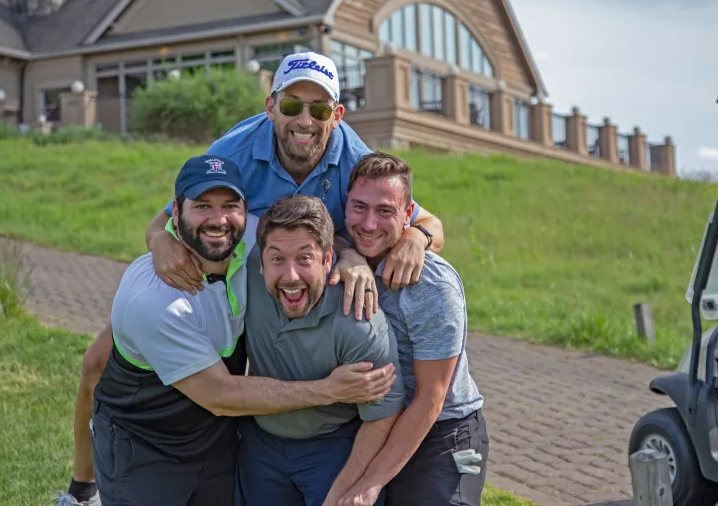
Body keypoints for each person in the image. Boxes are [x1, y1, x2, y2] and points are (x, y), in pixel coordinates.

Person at [61, 51, 444, 504]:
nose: (305, 119)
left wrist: (408, 242)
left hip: (288, 280)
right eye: (291, 106)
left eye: (319, 110)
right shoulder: (233, 152)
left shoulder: (354, 156)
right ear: (270, 106)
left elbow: (425, 222)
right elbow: (172, 215)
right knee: (96, 363)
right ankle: (80, 491)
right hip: (232, 272)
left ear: (337, 116)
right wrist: (158, 240)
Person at [88, 156, 396, 506]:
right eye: (202, 206)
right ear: (176, 211)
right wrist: (329, 390)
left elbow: (307, 239)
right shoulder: (155, 301)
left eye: (229, 206)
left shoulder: (255, 236)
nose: (218, 220)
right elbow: (220, 395)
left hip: (216, 440)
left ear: (245, 211)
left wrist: (350, 256)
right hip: (146, 441)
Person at [332, 153, 488, 506]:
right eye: (359, 207)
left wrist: (369, 484)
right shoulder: (340, 261)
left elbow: (430, 400)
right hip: (373, 421)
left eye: (385, 211)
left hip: (442, 428)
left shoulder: (433, 285)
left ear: (408, 215)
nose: (369, 223)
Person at [235, 194, 404, 506]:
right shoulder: (244, 275)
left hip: (334, 447)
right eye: (277, 259)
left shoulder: (359, 322)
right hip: (262, 442)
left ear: (328, 260)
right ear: (261, 262)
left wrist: (344, 490)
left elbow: (383, 414)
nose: (290, 276)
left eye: (304, 259)